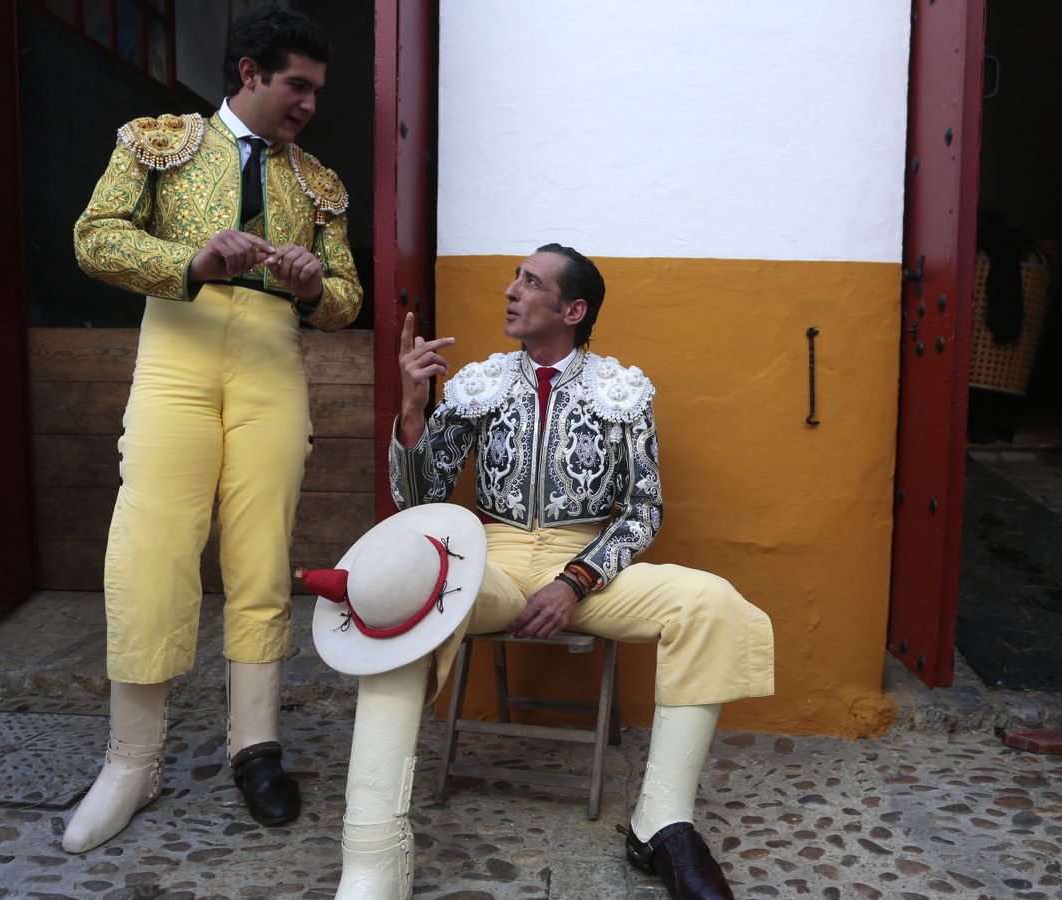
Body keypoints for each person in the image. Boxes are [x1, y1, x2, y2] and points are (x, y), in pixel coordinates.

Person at [321, 243, 773, 898]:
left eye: (530, 282)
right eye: (516, 278)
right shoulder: (481, 382)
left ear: (572, 309)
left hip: (587, 568)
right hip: (493, 561)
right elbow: (419, 502)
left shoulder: (621, 390)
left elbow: (643, 510)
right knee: (401, 597)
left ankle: (664, 825)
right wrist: (414, 409)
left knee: (711, 602)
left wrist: (576, 581)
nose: (511, 289)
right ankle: (372, 853)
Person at [62, 1, 362, 854]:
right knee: (150, 545)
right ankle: (132, 760)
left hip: (273, 366)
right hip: (177, 357)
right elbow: (93, 239)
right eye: (296, 86)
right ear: (249, 74)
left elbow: (346, 299)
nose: (308, 104)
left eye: (316, 90)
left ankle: (254, 747)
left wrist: (311, 288)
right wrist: (189, 261)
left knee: (260, 553)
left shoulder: (319, 183)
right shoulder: (157, 142)